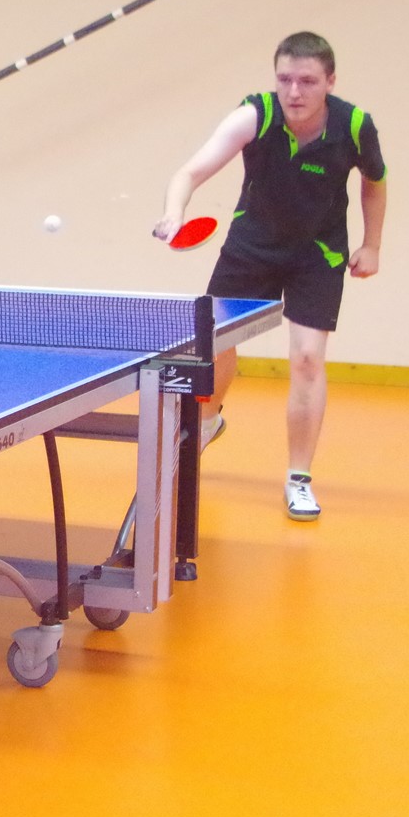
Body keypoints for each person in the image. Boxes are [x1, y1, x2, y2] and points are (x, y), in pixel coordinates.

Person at [152, 31, 387, 522]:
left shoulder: (354, 125)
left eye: (307, 81)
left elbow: (374, 181)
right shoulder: (254, 115)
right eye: (285, 80)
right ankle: (209, 420)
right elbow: (189, 173)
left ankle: (299, 478)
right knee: (214, 347)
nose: (294, 92)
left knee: (307, 359)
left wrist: (372, 244)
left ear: (330, 82)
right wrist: (174, 213)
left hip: (318, 253)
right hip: (251, 246)